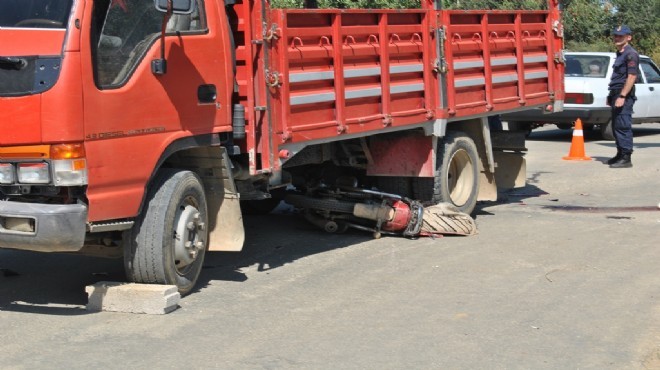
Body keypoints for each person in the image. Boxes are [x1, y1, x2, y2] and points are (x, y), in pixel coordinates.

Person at [607, 25, 639, 168]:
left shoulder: (631, 54)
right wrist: (611, 95)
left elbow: (631, 76)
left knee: (623, 126)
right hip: (616, 93)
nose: (617, 38)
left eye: (621, 36)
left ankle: (626, 157)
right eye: (616, 35)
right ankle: (620, 154)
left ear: (628, 37)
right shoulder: (620, 54)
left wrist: (622, 96)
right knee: (616, 126)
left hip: (623, 95)